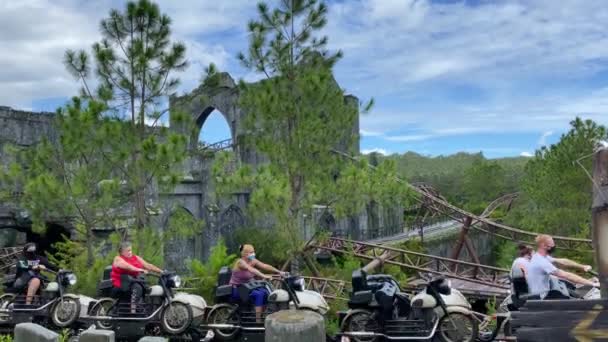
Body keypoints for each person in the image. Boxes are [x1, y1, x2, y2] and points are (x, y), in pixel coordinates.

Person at [526, 234, 597, 299]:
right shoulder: (541, 262)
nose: (554, 245)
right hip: (541, 298)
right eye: (552, 243)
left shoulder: (542, 257)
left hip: (545, 292)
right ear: (544, 246)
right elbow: (566, 275)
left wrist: (582, 266)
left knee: (576, 294)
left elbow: (563, 261)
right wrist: (592, 284)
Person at [229, 244, 285, 322]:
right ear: (245, 254)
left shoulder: (253, 261)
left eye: (253, 252)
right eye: (251, 252)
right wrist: (264, 276)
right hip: (237, 289)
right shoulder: (240, 262)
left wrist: (279, 272)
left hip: (247, 287)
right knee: (259, 294)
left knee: (265, 292)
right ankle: (258, 321)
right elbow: (251, 269)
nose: (253, 254)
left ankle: (262, 316)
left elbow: (265, 266)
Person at [110, 241, 163, 311]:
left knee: (146, 288)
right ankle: (133, 310)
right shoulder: (118, 259)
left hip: (131, 281)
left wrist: (162, 271)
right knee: (137, 288)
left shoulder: (135, 257)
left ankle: (144, 309)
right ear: (122, 252)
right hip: (121, 283)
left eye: (130, 250)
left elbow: (148, 265)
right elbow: (128, 266)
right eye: (128, 251)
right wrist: (140, 270)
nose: (130, 252)